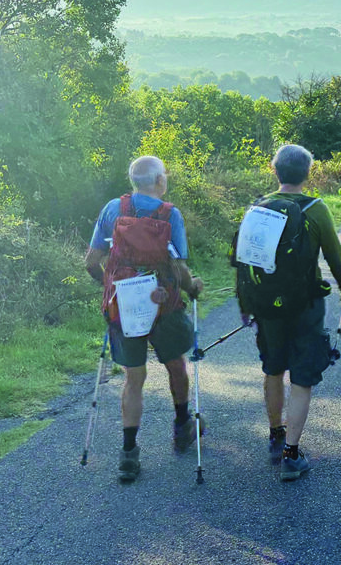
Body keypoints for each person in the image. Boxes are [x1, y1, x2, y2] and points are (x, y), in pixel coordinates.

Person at [84, 156, 204, 482]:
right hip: (163, 305)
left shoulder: (113, 209)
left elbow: (91, 262)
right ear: (160, 181)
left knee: (133, 378)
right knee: (176, 364)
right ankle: (182, 427)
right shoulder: (169, 214)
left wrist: (112, 287)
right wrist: (192, 287)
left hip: (123, 306)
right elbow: (178, 268)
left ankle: (128, 454)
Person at [240, 144, 341, 481]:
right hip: (306, 306)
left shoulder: (257, 208)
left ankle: (276, 435)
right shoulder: (316, 209)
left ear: (274, 170)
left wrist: (246, 305)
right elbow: (335, 258)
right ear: (308, 173)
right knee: (302, 376)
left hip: (267, 307)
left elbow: (244, 262)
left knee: (273, 368)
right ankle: (291, 454)